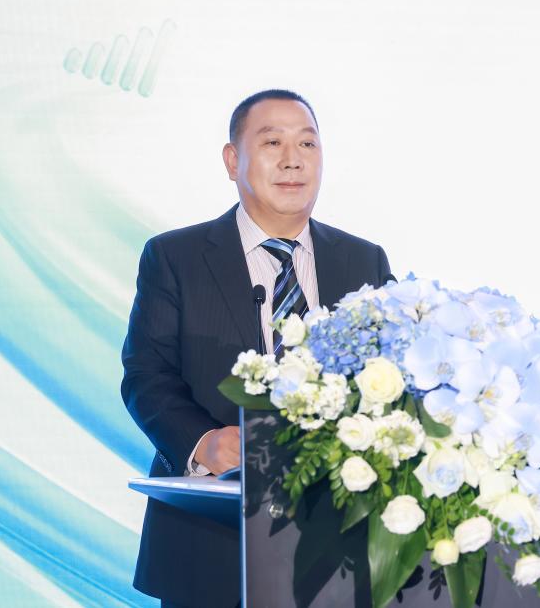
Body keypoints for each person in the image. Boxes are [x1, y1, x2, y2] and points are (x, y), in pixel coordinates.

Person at [121, 89, 392, 607]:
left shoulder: (365, 262)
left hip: (340, 548)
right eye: (272, 142)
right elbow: (146, 375)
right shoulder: (175, 257)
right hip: (212, 543)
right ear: (232, 160)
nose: (293, 159)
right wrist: (202, 442)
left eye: (307, 143)